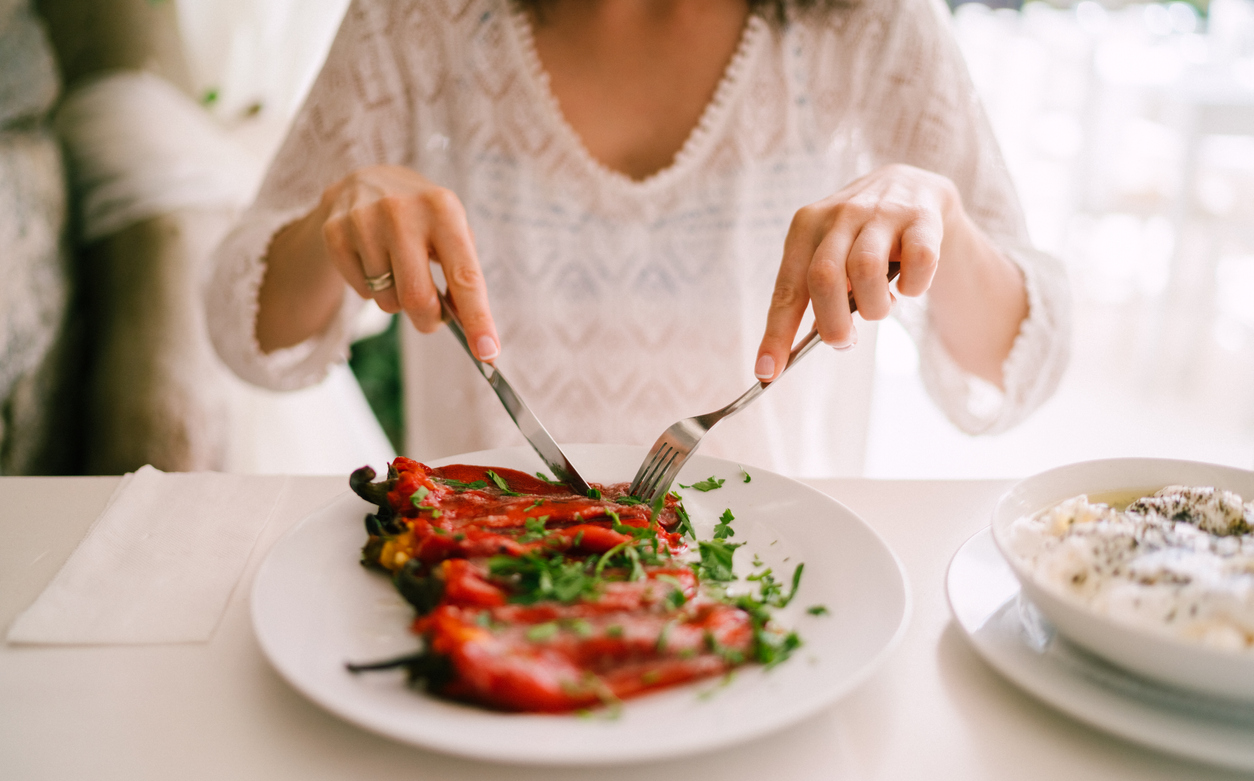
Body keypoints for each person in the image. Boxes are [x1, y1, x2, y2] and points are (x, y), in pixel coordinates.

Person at [207, 0, 1069, 476]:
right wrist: (338, 225)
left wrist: (940, 220)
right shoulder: (414, 23)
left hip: (778, 594)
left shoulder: (871, 28)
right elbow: (247, 337)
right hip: (475, 594)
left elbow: (1019, 365)